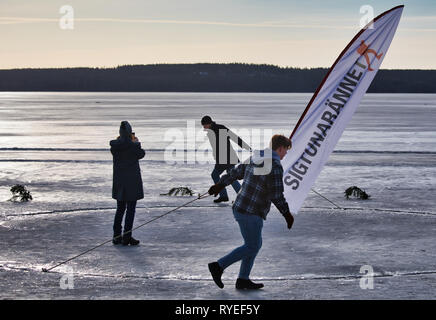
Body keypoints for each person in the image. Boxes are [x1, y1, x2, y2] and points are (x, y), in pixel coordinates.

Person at [207, 134, 295, 290]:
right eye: (286, 150)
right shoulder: (275, 165)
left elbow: (235, 172)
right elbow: (276, 194)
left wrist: (220, 185)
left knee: (254, 244)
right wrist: (287, 214)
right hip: (250, 211)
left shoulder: (257, 157)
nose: (286, 154)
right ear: (280, 148)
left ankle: (243, 279)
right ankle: (218, 266)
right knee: (252, 245)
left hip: (242, 207)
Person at [110, 121, 146, 246]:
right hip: (132, 182)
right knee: (130, 210)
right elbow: (141, 154)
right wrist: (136, 143)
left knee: (120, 209)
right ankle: (126, 236)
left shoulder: (115, 146)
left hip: (119, 182)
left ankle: (116, 236)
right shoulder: (132, 146)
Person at [201, 115, 251, 203]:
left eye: (204, 125)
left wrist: (246, 146)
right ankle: (239, 196)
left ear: (208, 123)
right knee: (231, 176)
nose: (204, 127)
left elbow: (234, 137)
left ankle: (225, 195)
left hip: (225, 158)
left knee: (217, 175)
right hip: (225, 158)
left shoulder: (220, 128)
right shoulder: (212, 131)